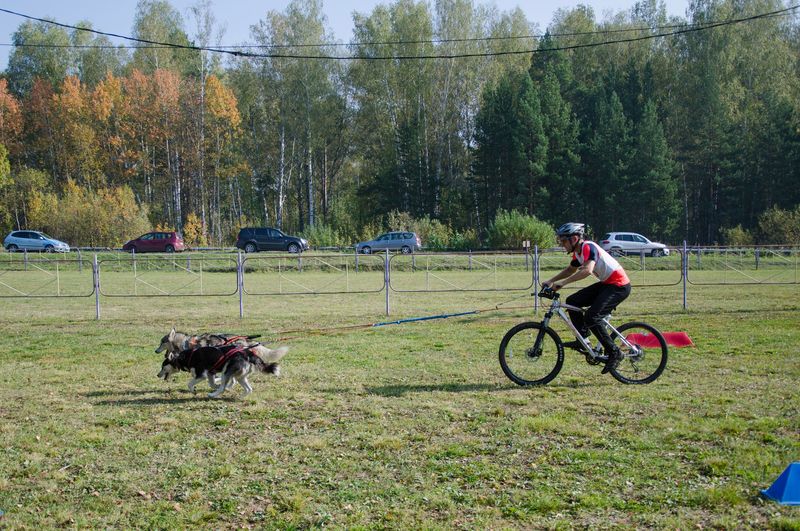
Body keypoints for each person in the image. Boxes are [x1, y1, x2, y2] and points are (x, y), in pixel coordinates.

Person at [542, 222, 632, 374]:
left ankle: (615, 352)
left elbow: (587, 271)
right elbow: (571, 269)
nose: (562, 244)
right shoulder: (578, 252)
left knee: (592, 317)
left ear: (575, 238)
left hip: (619, 286)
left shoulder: (587, 247)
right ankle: (583, 340)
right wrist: (551, 280)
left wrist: (562, 283)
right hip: (607, 283)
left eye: (564, 240)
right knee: (572, 301)